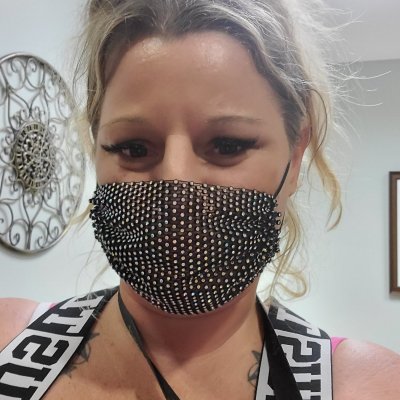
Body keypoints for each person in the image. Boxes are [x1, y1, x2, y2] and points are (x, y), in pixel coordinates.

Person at [1, 0, 399, 399]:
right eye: (134, 148)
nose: (176, 186)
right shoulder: (9, 338)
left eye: (227, 145)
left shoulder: (367, 387)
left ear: (295, 157)